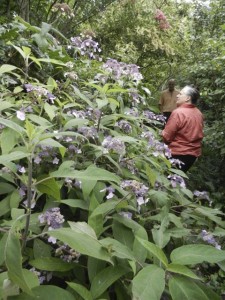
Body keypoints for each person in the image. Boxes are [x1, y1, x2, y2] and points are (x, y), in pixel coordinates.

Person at [162, 85, 204, 172]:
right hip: (192, 156)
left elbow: (167, 137)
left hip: (177, 153)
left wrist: (162, 133)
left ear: (187, 98)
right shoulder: (199, 113)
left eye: (180, 94)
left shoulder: (178, 113)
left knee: (168, 181)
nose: (177, 95)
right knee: (177, 181)